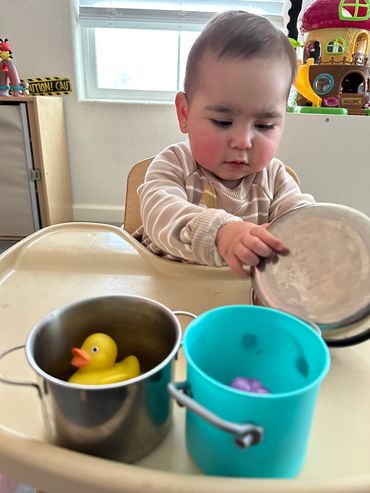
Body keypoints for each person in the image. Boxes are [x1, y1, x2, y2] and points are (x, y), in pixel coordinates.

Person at [134, 10, 314, 278]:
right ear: (185, 114)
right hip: (168, 297)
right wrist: (221, 232)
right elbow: (159, 212)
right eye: (222, 121)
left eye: (264, 126)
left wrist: (313, 232)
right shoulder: (174, 165)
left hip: (241, 303)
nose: (243, 141)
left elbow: (302, 221)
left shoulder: (275, 179)